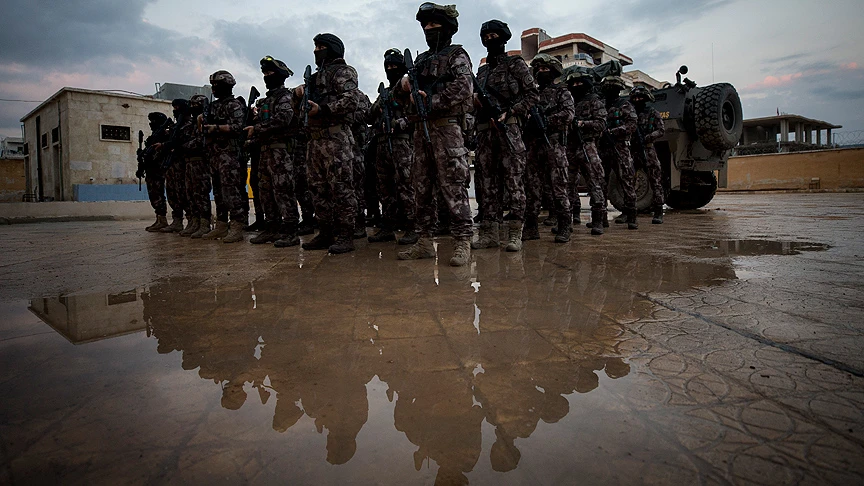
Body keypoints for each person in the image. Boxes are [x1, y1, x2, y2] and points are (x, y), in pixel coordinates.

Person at [397, 2, 474, 267]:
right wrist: (404, 85)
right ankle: (424, 242)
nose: (429, 29)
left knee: (454, 186)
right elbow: (401, 96)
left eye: (434, 24)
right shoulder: (421, 60)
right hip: (421, 131)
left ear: (447, 27)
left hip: (446, 129)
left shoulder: (457, 55)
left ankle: (462, 241)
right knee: (422, 188)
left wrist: (432, 100)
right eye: (425, 25)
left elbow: (464, 87)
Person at [471, 19, 538, 252]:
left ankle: (515, 233)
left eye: (494, 36)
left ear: (504, 37)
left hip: (509, 130)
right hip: (484, 134)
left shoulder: (516, 64)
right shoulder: (481, 72)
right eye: (486, 36)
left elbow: (532, 95)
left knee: (514, 181)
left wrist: (511, 111)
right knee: (487, 182)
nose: (490, 40)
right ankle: (489, 232)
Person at [300, 33, 360, 254]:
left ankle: (345, 234)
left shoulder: (343, 72)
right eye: (315, 46)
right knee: (318, 189)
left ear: (333, 49)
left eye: (321, 46)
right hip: (315, 141)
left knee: (341, 188)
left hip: (336, 139)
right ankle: (325, 232)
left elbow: (351, 101)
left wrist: (323, 109)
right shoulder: (314, 78)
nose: (317, 51)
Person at [245, 56, 302, 247]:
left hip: (281, 152)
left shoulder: (285, 97)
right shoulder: (266, 100)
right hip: (265, 152)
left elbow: (284, 119)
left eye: (270, 73)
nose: (267, 76)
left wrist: (258, 129)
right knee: (265, 192)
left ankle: (290, 231)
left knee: (283, 191)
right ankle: (271, 228)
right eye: (265, 73)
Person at [366, 48, 418, 245]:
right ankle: (387, 226)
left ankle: (413, 226)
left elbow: (416, 116)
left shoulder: (408, 90)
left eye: (395, 66)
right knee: (384, 188)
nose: (390, 69)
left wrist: (399, 123)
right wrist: (378, 107)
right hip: (382, 144)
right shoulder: (385, 94)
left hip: (403, 143)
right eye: (387, 66)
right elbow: (368, 117)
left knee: (407, 185)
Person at [522, 54, 574, 243]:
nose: (542, 72)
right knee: (532, 188)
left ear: (553, 71)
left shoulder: (562, 93)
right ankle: (531, 227)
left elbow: (568, 115)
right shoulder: (532, 95)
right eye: (539, 69)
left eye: (545, 69)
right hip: (534, 146)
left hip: (554, 144)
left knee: (558, 187)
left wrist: (546, 120)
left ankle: (564, 226)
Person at [201, 70, 249, 243]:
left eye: (217, 85)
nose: (214, 88)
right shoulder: (213, 106)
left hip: (230, 155)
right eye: (212, 85)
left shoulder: (234, 105)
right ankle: (221, 225)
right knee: (219, 192)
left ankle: (237, 225)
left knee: (232, 191)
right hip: (215, 155)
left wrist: (217, 128)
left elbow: (238, 127)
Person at [564, 70, 607, 235]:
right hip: (570, 146)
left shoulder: (594, 102)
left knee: (595, 183)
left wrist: (583, 124)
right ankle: (566, 221)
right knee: (567, 185)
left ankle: (598, 221)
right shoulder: (570, 102)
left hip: (588, 145)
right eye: (573, 83)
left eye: (579, 83)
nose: (576, 86)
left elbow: (601, 124)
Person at [599, 76, 638, 230]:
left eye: (613, 87)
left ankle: (631, 215)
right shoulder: (602, 105)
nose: (610, 89)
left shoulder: (625, 105)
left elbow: (632, 125)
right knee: (601, 182)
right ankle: (601, 216)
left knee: (626, 181)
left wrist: (614, 132)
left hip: (620, 147)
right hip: (604, 148)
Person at [630, 85, 666, 224]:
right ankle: (629, 211)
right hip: (633, 150)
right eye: (636, 98)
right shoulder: (631, 114)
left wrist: (649, 137)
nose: (638, 100)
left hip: (648, 149)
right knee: (629, 181)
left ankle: (658, 211)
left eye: (641, 97)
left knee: (655, 180)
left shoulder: (652, 113)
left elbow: (661, 130)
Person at [158, 99, 192, 234]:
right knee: (172, 193)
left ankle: (191, 220)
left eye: (177, 107)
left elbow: (182, 142)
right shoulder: (176, 126)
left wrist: (168, 146)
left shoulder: (188, 124)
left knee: (184, 193)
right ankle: (177, 221)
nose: (175, 109)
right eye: (174, 107)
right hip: (172, 163)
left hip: (183, 164)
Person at [182, 95, 213, 238]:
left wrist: (185, 146)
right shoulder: (190, 123)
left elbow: (202, 140)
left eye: (196, 105)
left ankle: (205, 223)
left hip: (200, 161)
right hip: (189, 162)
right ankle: (195, 222)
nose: (193, 108)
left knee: (200, 193)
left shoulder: (205, 120)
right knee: (190, 193)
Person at [137, 111, 173, 232]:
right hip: (151, 169)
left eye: (153, 121)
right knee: (154, 195)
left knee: (158, 195)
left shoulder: (164, 136)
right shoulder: (153, 137)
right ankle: (159, 218)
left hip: (158, 169)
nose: (151, 124)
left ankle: (162, 220)